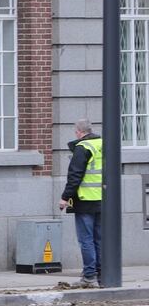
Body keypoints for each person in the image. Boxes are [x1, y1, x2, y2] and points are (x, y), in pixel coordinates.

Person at [58, 119, 102, 288]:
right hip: (102, 199)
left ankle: (90, 276)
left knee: (86, 240)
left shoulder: (83, 147)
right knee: (99, 239)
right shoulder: (103, 144)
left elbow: (75, 176)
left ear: (79, 132)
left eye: (75, 132)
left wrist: (64, 198)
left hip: (85, 200)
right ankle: (100, 274)